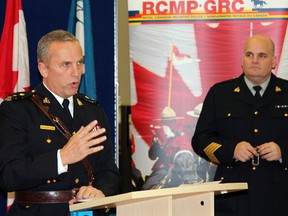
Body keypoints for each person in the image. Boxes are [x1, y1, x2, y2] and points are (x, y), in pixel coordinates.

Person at [0, 30, 121, 216]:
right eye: (66, 65)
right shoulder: (18, 109)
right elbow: (8, 176)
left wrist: (100, 191)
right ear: (43, 69)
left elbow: (108, 170)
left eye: (79, 63)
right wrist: (61, 158)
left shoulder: (92, 110)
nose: (76, 72)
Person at [192, 34, 288, 216]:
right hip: (232, 197)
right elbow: (200, 140)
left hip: (280, 196)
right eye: (249, 55)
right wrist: (231, 149)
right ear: (242, 59)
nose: (255, 60)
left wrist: (283, 150)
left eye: (262, 55)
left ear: (274, 61)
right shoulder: (220, 94)